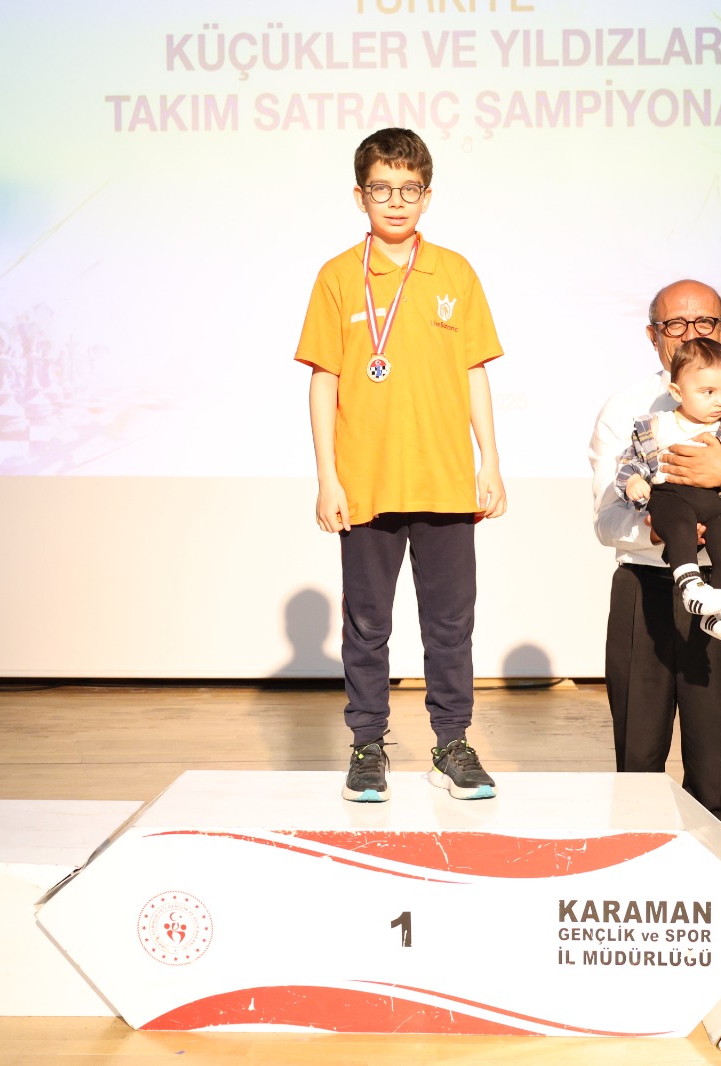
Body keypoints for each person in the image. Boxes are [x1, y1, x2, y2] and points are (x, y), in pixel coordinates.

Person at [296, 128, 506, 803]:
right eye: (382, 188)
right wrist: (328, 477)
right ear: (360, 195)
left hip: (445, 480)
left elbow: (474, 373)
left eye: (408, 189)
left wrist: (490, 461)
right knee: (367, 624)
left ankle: (452, 744)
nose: (395, 201)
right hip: (367, 483)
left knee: (450, 624)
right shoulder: (337, 276)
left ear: (427, 195)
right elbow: (324, 380)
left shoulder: (454, 272)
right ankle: (367, 746)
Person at [589, 280, 721, 826]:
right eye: (674, 325)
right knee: (637, 756)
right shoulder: (629, 408)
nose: (689, 334)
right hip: (645, 590)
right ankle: (636, 859)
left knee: (711, 760)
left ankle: (709, 867)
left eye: (703, 323)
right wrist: (658, 529)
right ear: (653, 335)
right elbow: (607, 520)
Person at [615, 336, 721, 645]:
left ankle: (719, 612)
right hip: (668, 496)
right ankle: (691, 588)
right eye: (708, 392)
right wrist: (634, 481)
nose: (720, 401)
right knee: (680, 528)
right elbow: (630, 462)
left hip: (710, 501)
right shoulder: (656, 426)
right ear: (677, 392)